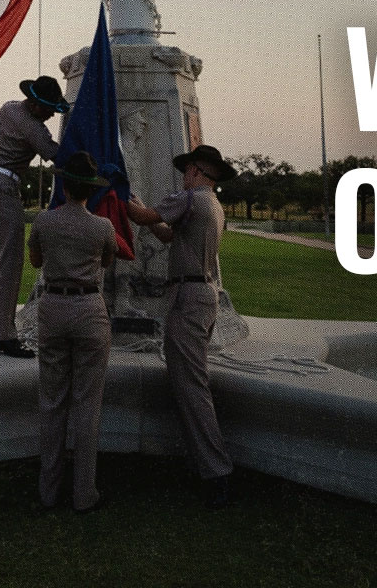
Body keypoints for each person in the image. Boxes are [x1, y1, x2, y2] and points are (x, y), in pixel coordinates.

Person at [126, 144, 238, 509]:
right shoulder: (211, 205)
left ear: (194, 171)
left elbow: (143, 219)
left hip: (189, 297)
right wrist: (141, 205)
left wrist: (117, 192)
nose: (184, 176)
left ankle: (216, 471)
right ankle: (209, 464)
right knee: (191, 380)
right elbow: (166, 234)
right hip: (200, 295)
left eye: (187, 170)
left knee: (191, 386)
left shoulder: (191, 199)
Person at [26, 151, 117, 512]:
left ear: (63, 185)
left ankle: (48, 491)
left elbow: (36, 260)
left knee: (52, 401)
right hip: (89, 309)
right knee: (87, 405)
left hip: (53, 306)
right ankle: (84, 493)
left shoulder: (43, 222)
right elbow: (107, 261)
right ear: (90, 190)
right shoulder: (103, 227)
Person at [0, 75, 68, 358]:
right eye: (49, 108)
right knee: (10, 259)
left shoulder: (8, 108)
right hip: (2, 188)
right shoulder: (32, 127)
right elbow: (54, 155)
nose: (51, 114)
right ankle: (2, 334)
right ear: (35, 104)